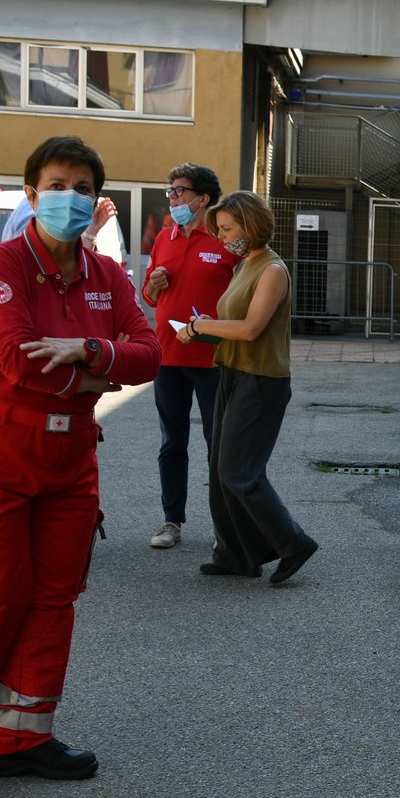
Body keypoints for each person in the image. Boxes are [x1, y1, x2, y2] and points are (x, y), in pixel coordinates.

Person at [0, 136, 161, 785]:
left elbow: (148, 351)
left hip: (69, 455)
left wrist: (87, 352)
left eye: (81, 188)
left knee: (55, 595)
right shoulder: (2, 265)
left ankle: (21, 737)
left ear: (96, 198)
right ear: (31, 194)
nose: (69, 199)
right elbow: (14, 357)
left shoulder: (106, 275)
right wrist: (101, 368)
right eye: (56, 185)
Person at [176, 190, 317, 585]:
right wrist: (202, 328)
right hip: (233, 373)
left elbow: (251, 329)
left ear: (250, 224)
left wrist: (201, 326)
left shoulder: (272, 269)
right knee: (221, 470)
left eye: (227, 228)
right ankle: (236, 555)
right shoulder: (243, 266)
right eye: (218, 230)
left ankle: (294, 543)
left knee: (239, 471)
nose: (221, 237)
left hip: (262, 380)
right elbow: (233, 328)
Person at [140, 165, 240, 550]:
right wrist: (152, 285)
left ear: (203, 199)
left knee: (218, 445)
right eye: (171, 192)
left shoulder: (225, 242)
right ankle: (171, 522)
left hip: (213, 358)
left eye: (180, 192)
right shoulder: (164, 238)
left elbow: (245, 296)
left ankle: (224, 526)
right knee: (171, 442)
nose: (173, 199)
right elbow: (150, 297)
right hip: (168, 355)